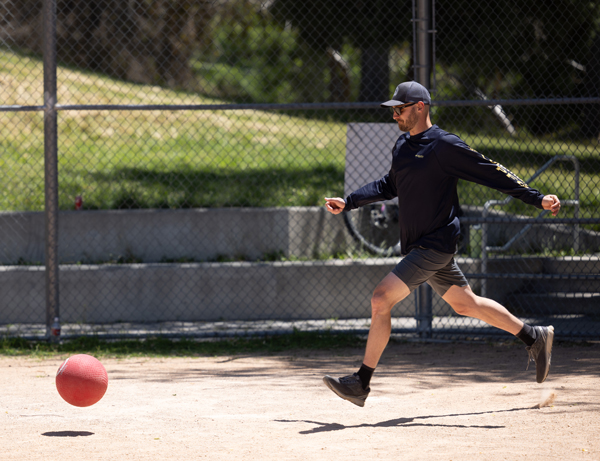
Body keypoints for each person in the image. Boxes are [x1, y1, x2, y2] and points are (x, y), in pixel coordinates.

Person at [323, 81, 560, 407]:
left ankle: (361, 382)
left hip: (434, 245)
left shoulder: (444, 146)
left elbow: (492, 172)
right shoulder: (402, 146)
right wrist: (349, 202)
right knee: (466, 304)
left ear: (420, 107)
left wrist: (536, 198)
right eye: (393, 109)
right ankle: (534, 337)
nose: (395, 115)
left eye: (400, 108)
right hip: (422, 246)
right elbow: (389, 185)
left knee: (380, 299)